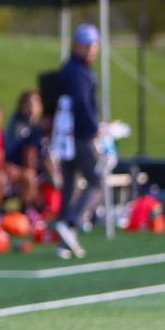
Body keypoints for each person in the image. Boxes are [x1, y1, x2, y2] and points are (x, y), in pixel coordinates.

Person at [52, 23, 102, 259]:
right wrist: (95, 128)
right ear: (76, 45)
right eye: (87, 45)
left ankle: (63, 243)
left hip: (65, 136)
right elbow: (81, 103)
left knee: (70, 184)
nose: (91, 49)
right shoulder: (78, 71)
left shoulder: (71, 68)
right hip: (79, 135)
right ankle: (70, 224)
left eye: (93, 45)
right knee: (96, 182)